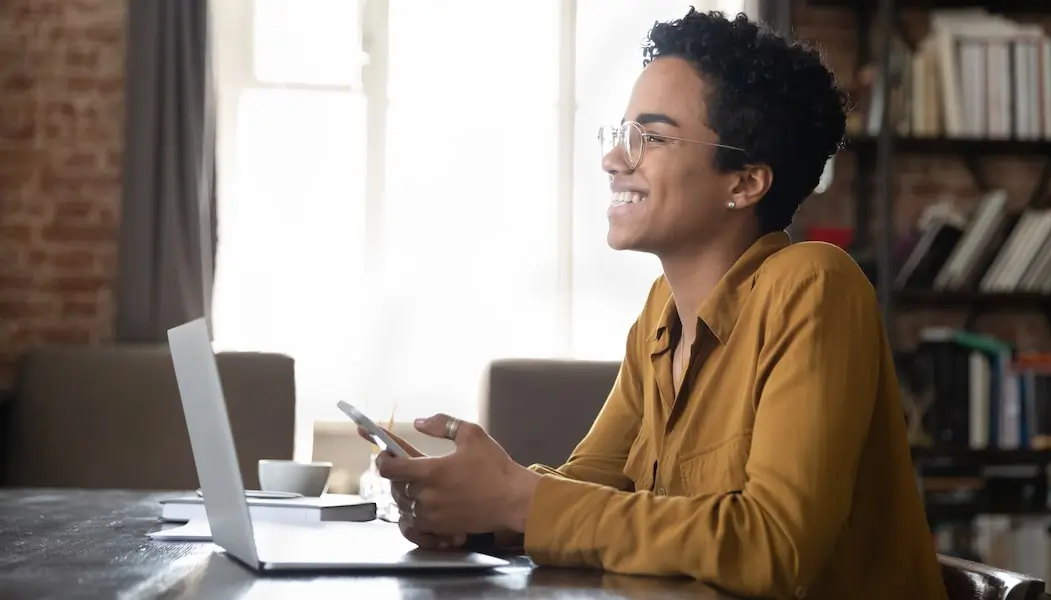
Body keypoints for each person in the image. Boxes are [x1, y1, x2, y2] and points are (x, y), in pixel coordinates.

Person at [365, 8, 948, 599]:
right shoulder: (660, 314)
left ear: (744, 182)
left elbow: (774, 546)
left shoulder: (815, 285)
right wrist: (472, 511)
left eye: (652, 137)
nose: (614, 158)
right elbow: (591, 490)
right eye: (621, 134)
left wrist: (520, 500)